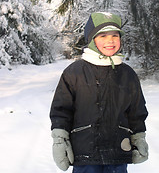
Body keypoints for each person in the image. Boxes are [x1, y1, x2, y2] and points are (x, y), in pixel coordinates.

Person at [49, 12, 148, 173]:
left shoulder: (128, 74)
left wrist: (139, 138)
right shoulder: (74, 72)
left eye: (115, 35)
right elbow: (61, 110)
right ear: (91, 39)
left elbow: (136, 111)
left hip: (118, 153)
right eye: (102, 36)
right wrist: (60, 140)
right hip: (85, 155)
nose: (110, 41)